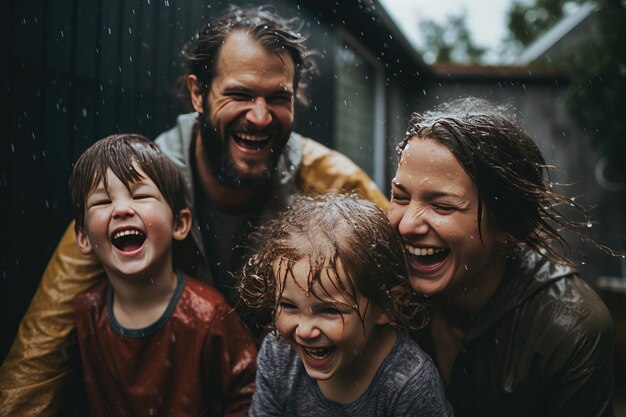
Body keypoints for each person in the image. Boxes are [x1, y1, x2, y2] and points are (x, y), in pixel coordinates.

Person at [0, 5, 388, 416]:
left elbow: (402, 289)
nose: (259, 116)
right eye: (239, 94)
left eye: (278, 98)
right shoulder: (140, 191)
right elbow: (40, 352)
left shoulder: (329, 181)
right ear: (198, 94)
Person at [388, 97, 615, 417]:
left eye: (442, 206)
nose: (407, 224)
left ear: (508, 226)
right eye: (400, 196)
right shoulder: (378, 287)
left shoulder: (568, 326)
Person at [69, 134, 256, 416]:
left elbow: (249, 394)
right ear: (83, 238)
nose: (121, 209)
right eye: (102, 202)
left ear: (180, 224)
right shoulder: (87, 313)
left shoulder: (209, 316)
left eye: (141, 196)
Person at [239, 194, 453, 416]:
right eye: (288, 306)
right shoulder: (279, 356)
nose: (304, 330)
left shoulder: (408, 384)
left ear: (386, 305)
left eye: (329, 310)